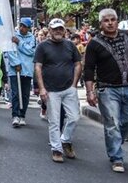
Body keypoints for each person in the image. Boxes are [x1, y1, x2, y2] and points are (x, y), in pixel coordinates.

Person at [85, 8, 128, 173]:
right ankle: (116, 157)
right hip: (107, 90)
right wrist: (90, 91)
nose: (110, 23)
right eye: (106, 20)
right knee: (112, 124)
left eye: (112, 19)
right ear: (101, 24)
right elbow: (88, 69)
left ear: (117, 21)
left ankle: (114, 142)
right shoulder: (94, 43)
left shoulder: (127, 36)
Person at [34, 18, 82, 163]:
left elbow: (78, 64)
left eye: (60, 29)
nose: (58, 32)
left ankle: (65, 140)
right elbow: (38, 67)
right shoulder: (42, 47)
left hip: (69, 88)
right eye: (55, 29)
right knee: (54, 121)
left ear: (64, 30)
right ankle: (56, 149)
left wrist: (74, 84)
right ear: (50, 30)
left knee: (74, 117)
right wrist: (41, 88)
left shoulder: (70, 45)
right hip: (51, 90)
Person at [8, 17, 36, 127]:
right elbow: (9, 50)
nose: (21, 28)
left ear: (28, 28)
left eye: (24, 26)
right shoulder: (13, 35)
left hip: (27, 70)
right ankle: (15, 116)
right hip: (15, 70)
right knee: (15, 93)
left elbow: (31, 51)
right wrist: (16, 64)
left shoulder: (32, 38)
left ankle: (22, 115)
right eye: (21, 25)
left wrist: (20, 43)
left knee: (25, 94)